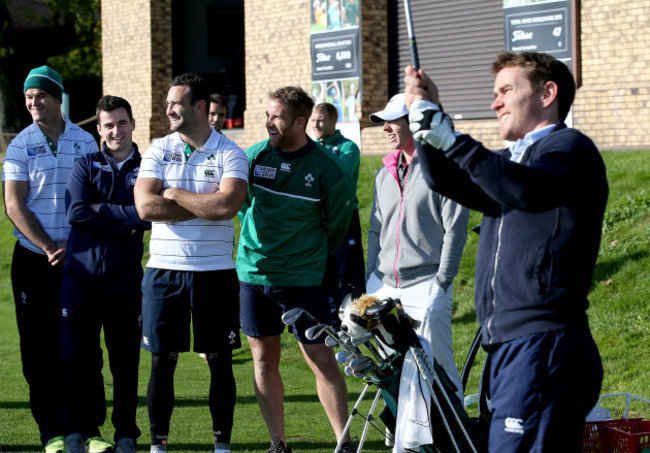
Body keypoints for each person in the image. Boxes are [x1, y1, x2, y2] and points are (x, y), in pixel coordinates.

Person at [404, 52, 607, 452]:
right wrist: (427, 120)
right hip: (511, 347)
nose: (495, 103)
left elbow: (524, 190)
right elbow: (447, 178)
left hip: (543, 344)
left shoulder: (569, 149)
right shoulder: (511, 162)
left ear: (548, 93)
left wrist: (450, 136)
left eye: (506, 91)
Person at [237, 86, 356, 453]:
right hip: (253, 276)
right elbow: (243, 206)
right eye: (268, 114)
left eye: (276, 116)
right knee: (262, 359)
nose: (268, 122)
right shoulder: (253, 158)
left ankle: (345, 442)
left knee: (321, 359)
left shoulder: (327, 168)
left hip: (303, 280)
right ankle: (279, 443)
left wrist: (305, 255)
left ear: (299, 121)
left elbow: (337, 225)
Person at [134, 73, 248, 453]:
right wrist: (203, 203)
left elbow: (227, 206)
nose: (168, 109)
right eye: (167, 103)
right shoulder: (157, 149)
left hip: (215, 272)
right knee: (161, 363)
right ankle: (158, 446)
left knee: (219, 362)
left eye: (176, 103)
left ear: (199, 106)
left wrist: (174, 192)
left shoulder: (231, 152)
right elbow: (147, 207)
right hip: (163, 271)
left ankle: (222, 447)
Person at [2, 65, 98, 453]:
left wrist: (72, 245)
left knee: (84, 346)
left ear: (58, 98)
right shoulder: (19, 145)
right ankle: (52, 433)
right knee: (38, 351)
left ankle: (88, 429)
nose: (33, 102)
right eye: (27, 97)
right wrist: (47, 246)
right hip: (32, 260)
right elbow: (13, 204)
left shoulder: (87, 142)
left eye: (40, 95)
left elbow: (95, 198)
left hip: (80, 260)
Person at [61, 95, 150, 453]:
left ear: (132, 124)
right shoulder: (85, 163)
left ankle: (126, 432)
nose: (116, 130)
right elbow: (77, 213)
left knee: (124, 363)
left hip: (125, 281)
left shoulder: (147, 169)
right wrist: (124, 222)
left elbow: (147, 217)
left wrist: (107, 211)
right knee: (78, 360)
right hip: (79, 279)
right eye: (108, 125)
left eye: (122, 122)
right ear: (98, 129)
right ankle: (82, 430)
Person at [365, 93, 469, 402]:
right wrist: (371, 276)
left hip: (427, 283)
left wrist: (442, 283)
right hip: (384, 284)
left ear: (414, 123)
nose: (385, 128)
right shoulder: (384, 173)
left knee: (439, 366)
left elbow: (455, 230)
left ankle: (459, 437)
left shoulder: (443, 169)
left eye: (392, 121)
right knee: (391, 369)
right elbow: (375, 229)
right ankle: (402, 435)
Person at [310, 102, 365, 318]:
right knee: (325, 269)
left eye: (320, 120)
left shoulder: (348, 148)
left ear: (334, 121)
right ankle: (330, 315)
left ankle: (354, 318)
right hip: (319, 218)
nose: (315, 124)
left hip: (345, 217)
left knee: (349, 269)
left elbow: (336, 177)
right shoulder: (312, 148)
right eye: (313, 120)